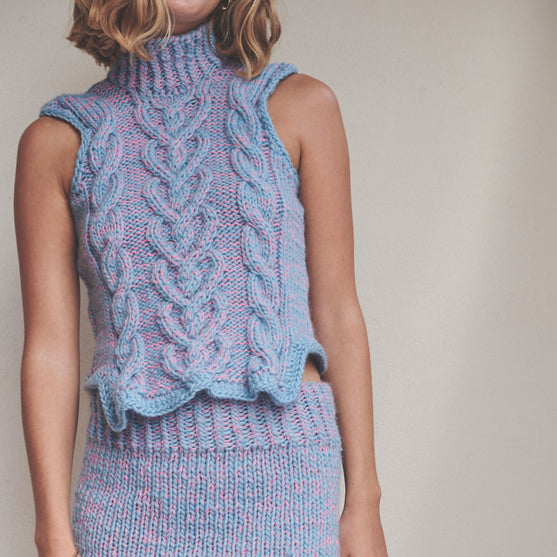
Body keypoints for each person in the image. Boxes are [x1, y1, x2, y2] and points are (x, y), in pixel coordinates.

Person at [14, 0, 388, 555]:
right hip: (130, 492)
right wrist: (51, 530)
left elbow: (337, 312)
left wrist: (363, 503)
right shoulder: (58, 142)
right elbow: (50, 350)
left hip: (287, 484)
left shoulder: (301, 107)